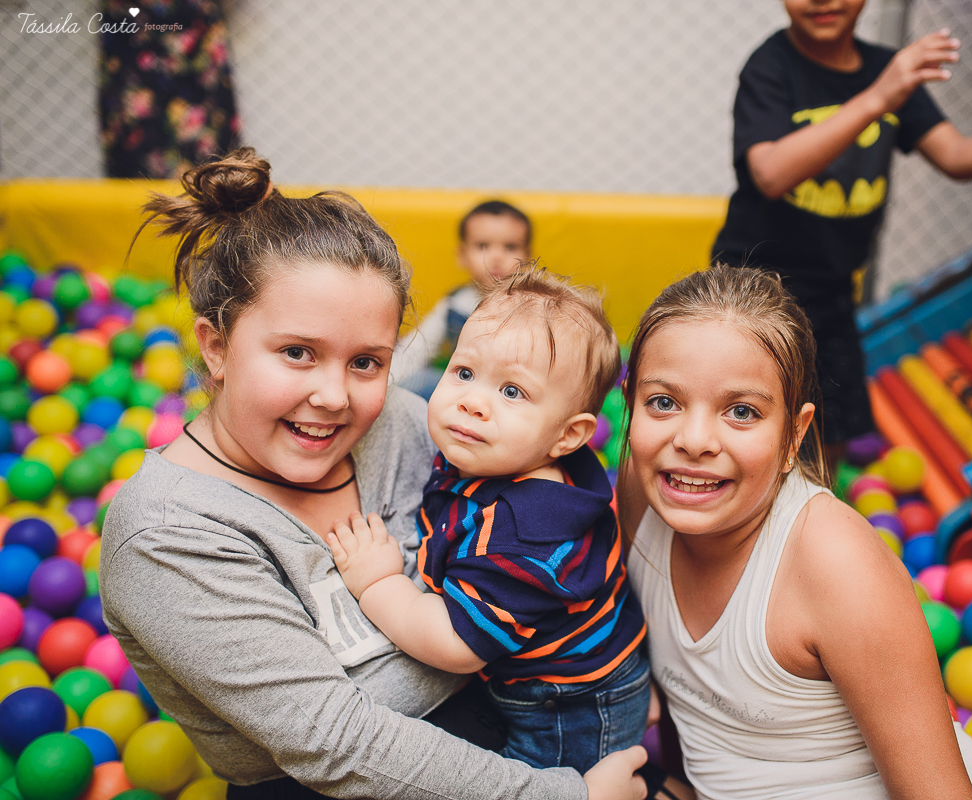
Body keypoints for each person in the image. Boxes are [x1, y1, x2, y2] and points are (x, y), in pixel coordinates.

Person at [99, 148, 647, 800]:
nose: (334, 395)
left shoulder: (397, 422)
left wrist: (621, 691)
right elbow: (337, 745)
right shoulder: (167, 533)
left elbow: (552, 521)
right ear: (216, 347)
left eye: (367, 361)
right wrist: (570, 797)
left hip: (528, 712)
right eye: (298, 353)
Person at [616, 265, 972, 800]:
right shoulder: (646, 492)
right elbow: (700, 718)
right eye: (664, 402)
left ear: (794, 435)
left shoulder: (833, 562)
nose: (694, 439)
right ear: (630, 405)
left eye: (742, 411)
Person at [710, 0, 972, 457]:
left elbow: (957, 156)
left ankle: (809, 520)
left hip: (831, 292)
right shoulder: (772, 66)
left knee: (830, 431)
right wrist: (879, 98)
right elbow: (771, 173)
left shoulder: (886, 70)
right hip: (752, 289)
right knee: (741, 417)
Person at [328, 269, 651, 774]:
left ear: (568, 436)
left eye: (513, 392)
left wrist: (377, 582)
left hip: (566, 710)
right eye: (463, 373)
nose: (472, 402)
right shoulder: (495, 455)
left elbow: (457, 645)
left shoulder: (525, 533)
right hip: (597, 667)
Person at [391, 200, 532, 399]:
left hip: (508, 393)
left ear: (527, 256)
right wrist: (388, 380)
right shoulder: (456, 303)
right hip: (458, 388)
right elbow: (419, 348)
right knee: (416, 380)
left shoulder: (532, 306)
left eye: (510, 247)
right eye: (483, 246)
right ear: (462, 255)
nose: (497, 257)